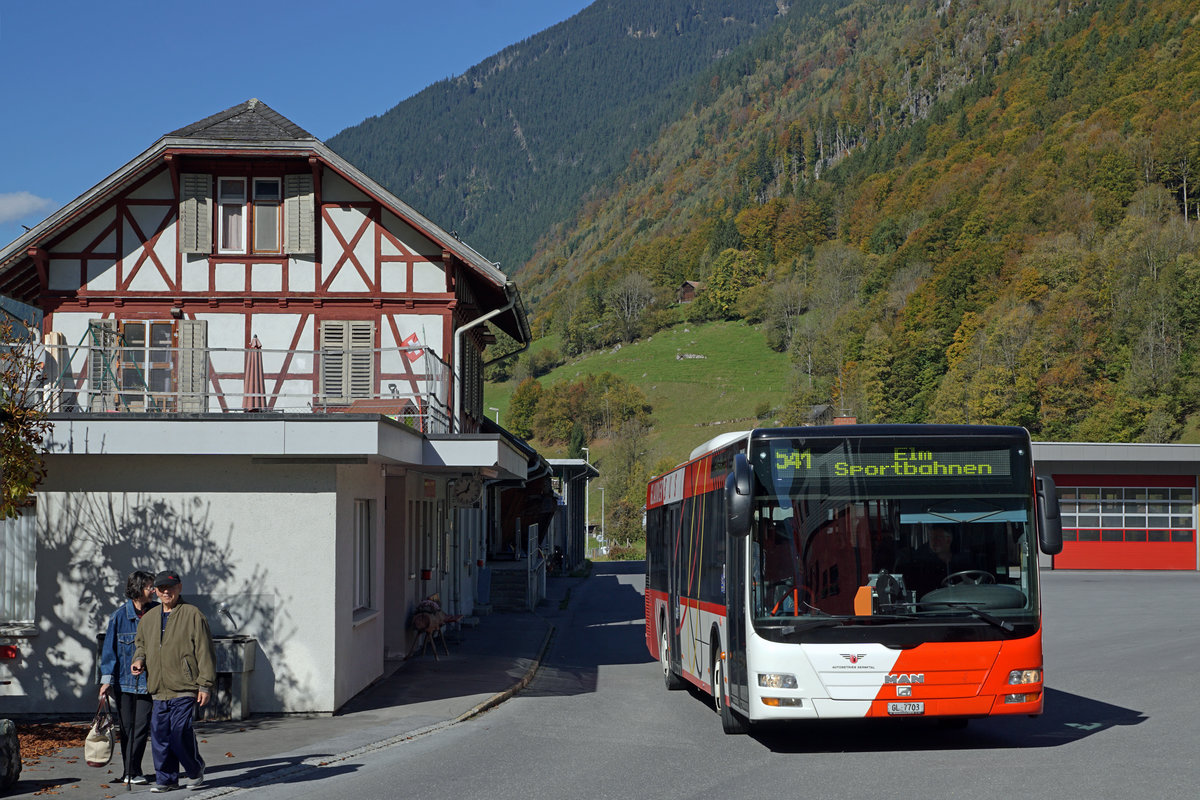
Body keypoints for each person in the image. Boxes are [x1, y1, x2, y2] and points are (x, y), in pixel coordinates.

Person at [131, 570, 216, 793]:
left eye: (171, 587)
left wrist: (205, 684)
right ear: (156, 591)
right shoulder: (149, 618)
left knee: (179, 732)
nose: (166, 592)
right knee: (160, 735)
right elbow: (140, 644)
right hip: (158, 687)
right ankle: (166, 779)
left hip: (185, 686)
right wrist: (139, 659)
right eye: (161, 588)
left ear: (179, 588)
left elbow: (205, 651)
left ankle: (195, 769)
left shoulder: (193, 614)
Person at [99, 570, 158, 785]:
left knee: (141, 727)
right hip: (124, 683)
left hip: (149, 682)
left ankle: (132, 771)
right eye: (149, 586)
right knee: (126, 729)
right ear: (138, 589)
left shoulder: (157, 612)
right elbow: (109, 651)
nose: (153, 590)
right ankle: (130, 771)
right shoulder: (118, 617)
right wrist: (106, 681)